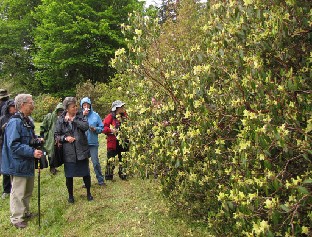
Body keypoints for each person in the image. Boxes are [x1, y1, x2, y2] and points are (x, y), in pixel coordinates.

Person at [1, 94, 44, 229]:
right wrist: (32, 152)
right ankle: (16, 218)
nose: (33, 105)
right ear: (23, 104)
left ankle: (25, 212)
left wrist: (37, 140)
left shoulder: (27, 120)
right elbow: (13, 145)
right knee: (18, 192)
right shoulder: (15, 122)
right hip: (18, 162)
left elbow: (28, 138)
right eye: (31, 102)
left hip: (27, 162)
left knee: (27, 190)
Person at [55, 97, 93, 203]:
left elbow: (85, 126)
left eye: (76, 106)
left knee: (86, 173)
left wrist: (74, 120)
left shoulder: (80, 116)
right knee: (69, 175)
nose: (75, 108)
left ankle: (89, 193)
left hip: (81, 149)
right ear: (67, 108)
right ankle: (70, 196)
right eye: (73, 107)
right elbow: (56, 135)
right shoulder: (61, 120)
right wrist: (66, 138)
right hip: (69, 152)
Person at [80, 97, 105, 186]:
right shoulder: (79, 115)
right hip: (83, 143)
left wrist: (95, 129)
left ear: (90, 105)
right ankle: (86, 182)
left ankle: (100, 180)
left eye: (87, 105)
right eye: (84, 105)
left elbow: (102, 128)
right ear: (81, 106)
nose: (86, 107)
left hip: (93, 143)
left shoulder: (95, 115)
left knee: (95, 163)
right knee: (84, 164)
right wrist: (82, 115)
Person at [103, 100, 129, 181]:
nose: (123, 108)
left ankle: (123, 174)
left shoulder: (125, 115)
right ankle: (108, 176)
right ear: (117, 108)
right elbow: (103, 128)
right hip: (113, 141)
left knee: (124, 157)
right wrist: (111, 130)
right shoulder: (110, 116)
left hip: (124, 140)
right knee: (111, 158)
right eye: (121, 106)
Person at [40, 103, 64, 175]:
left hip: (58, 138)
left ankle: (54, 167)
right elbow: (43, 126)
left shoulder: (63, 118)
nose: (60, 113)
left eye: (62, 111)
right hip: (50, 138)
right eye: (59, 111)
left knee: (56, 153)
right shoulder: (50, 116)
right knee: (51, 153)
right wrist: (43, 136)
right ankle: (52, 168)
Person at [0, 99, 16, 199]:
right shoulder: (3, 118)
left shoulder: (17, 117)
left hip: (14, 145)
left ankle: (14, 188)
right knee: (6, 167)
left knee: (14, 167)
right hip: (4, 145)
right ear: (8, 107)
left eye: (15, 106)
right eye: (12, 106)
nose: (14, 108)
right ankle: (6, 190)